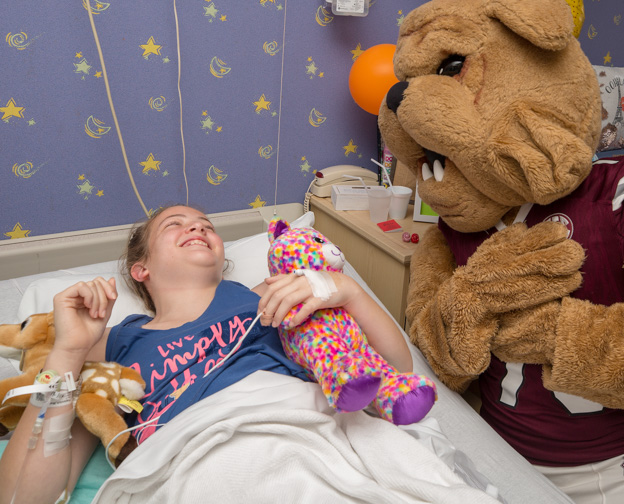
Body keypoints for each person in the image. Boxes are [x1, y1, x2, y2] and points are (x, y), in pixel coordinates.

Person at [0, 205, 413, 504]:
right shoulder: (112, 345)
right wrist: (68, 352)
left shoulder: (270, 296)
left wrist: (345, 290)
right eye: (174, 224)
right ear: (140, 269)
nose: (196, 226)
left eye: (205, 225)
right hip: (195, 463)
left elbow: (396, 371)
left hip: (305, 433)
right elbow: (23, 497)